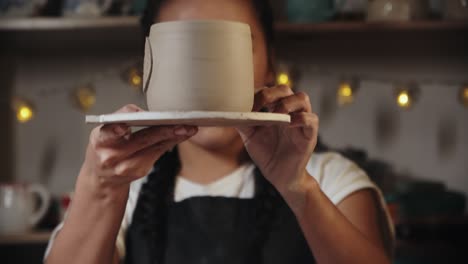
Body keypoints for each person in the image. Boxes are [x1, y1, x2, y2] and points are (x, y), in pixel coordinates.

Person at [44, 0, 393, 263]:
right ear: (149, 66)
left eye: (231, 46)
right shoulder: (128, 187)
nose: (204, 69)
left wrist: (297, 188)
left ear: (271, 63)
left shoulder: (329, 179)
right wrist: (101, 187)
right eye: (186, 47)